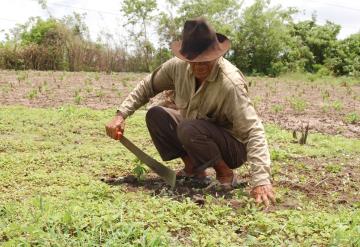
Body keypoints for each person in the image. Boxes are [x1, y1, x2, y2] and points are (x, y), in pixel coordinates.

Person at [105, 17, 275, 207]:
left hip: (232, 146)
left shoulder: (230, 83)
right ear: (186, 58)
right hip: (195, 129)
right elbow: (147, 85)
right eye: (194, 61)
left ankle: (225, 175)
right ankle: (194, 169)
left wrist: (261, 180)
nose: (200, 66)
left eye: (207, 60)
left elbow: (253, 130)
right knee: (156, 115)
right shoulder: (176, 67)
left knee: (189, 127)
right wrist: (121, 115)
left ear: (217, 55)